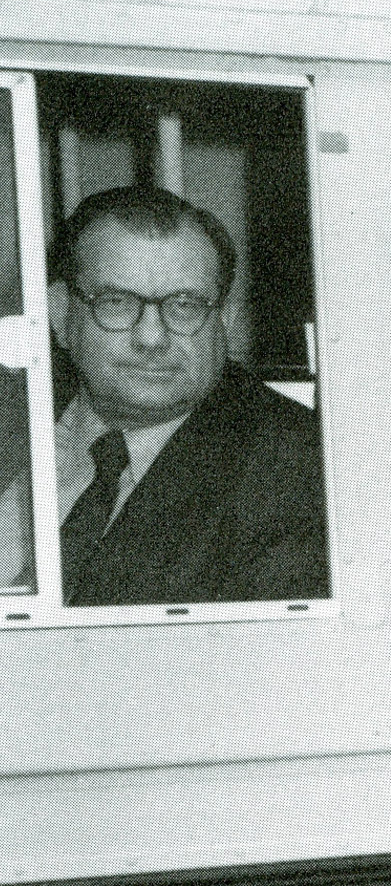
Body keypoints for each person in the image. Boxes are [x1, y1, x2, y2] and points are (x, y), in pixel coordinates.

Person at [47, 185, 328, 606]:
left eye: (185, 306)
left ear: (225, 319)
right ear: (59, 313)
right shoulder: (19, 419)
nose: (152, 338)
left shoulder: (299, 469)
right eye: (116, 302)